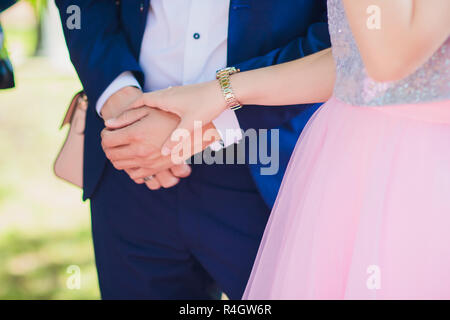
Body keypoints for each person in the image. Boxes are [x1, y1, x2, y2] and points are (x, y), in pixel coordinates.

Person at [114, 0, 450, 299]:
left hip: (423, 166)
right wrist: (221, 94)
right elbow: (352, 62)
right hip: (352, 155)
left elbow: (388, 56)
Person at [55, 0, 330, 299]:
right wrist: (119, 100)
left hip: (268, 162)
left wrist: (215, 118)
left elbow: (340, 42)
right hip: (133, 168)